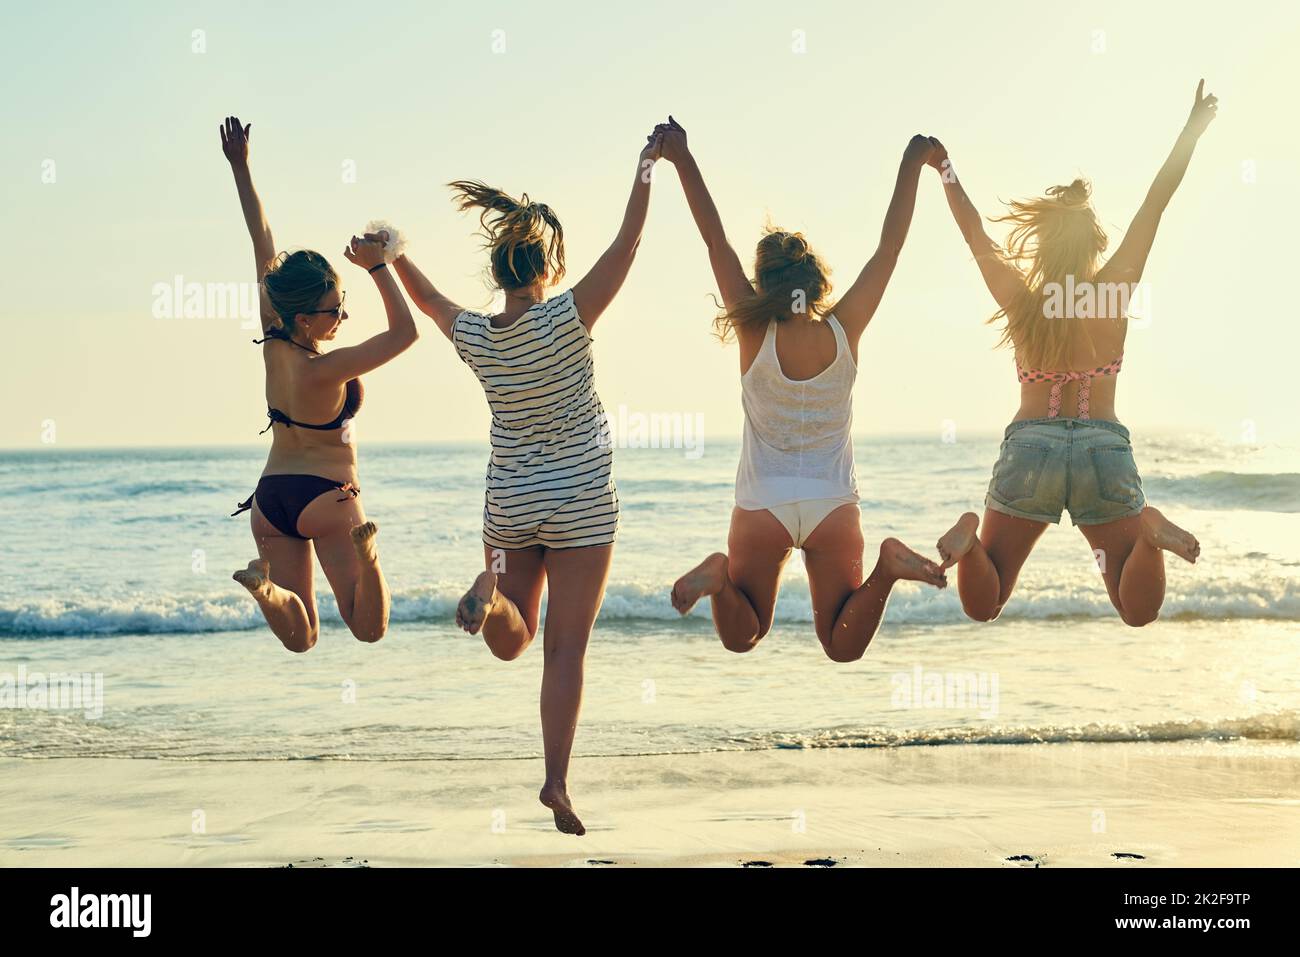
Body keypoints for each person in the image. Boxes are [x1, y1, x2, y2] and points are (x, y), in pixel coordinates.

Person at [387, 125, 665, 834]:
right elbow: (626, 245)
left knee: (514, 637)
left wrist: (391, 256)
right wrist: (645, 167)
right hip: (580, 507)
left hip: (511, 507)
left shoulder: (480, 338)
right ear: (547, 267)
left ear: (501, 270)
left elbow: (430, 303)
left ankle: (496, 601)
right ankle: (556, 782)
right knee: (563, 651)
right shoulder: (571, 319)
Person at [662, 117, 948, 662]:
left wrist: (682, 157)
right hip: (831, 502)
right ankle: (887, 570)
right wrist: (914, 161)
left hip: (761, 505)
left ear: (765, 285)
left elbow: (713, 238)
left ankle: (719, 579)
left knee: (742, 635)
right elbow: (889, 250)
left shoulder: (753, 332)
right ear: (814, 281)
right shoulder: (845, 330)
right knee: (841, 645)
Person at [929, 81, 1215, 626]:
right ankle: (1149, 536)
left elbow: (975, 235)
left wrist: (944, 167)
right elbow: (1155, 204)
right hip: (1100, 454)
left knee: (984, 603)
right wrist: (1191, 131)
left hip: (1030, 451)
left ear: (1042, 244)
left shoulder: (1021, 302)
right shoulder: (1113, 294)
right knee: (1136, 609)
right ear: (1095, 243)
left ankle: (969, 540)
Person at [221, 116, 418, 652]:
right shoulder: (322, 368)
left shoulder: (273, 327)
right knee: (368, 628)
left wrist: (241, 166)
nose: (343, 319)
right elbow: (407, 333)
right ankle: (370, 554)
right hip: (328, 498)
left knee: (301, 637)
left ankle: (267, 592)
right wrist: (380, 269)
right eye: (335, 310)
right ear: (305, 317)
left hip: (271, 500)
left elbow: (261, 237)